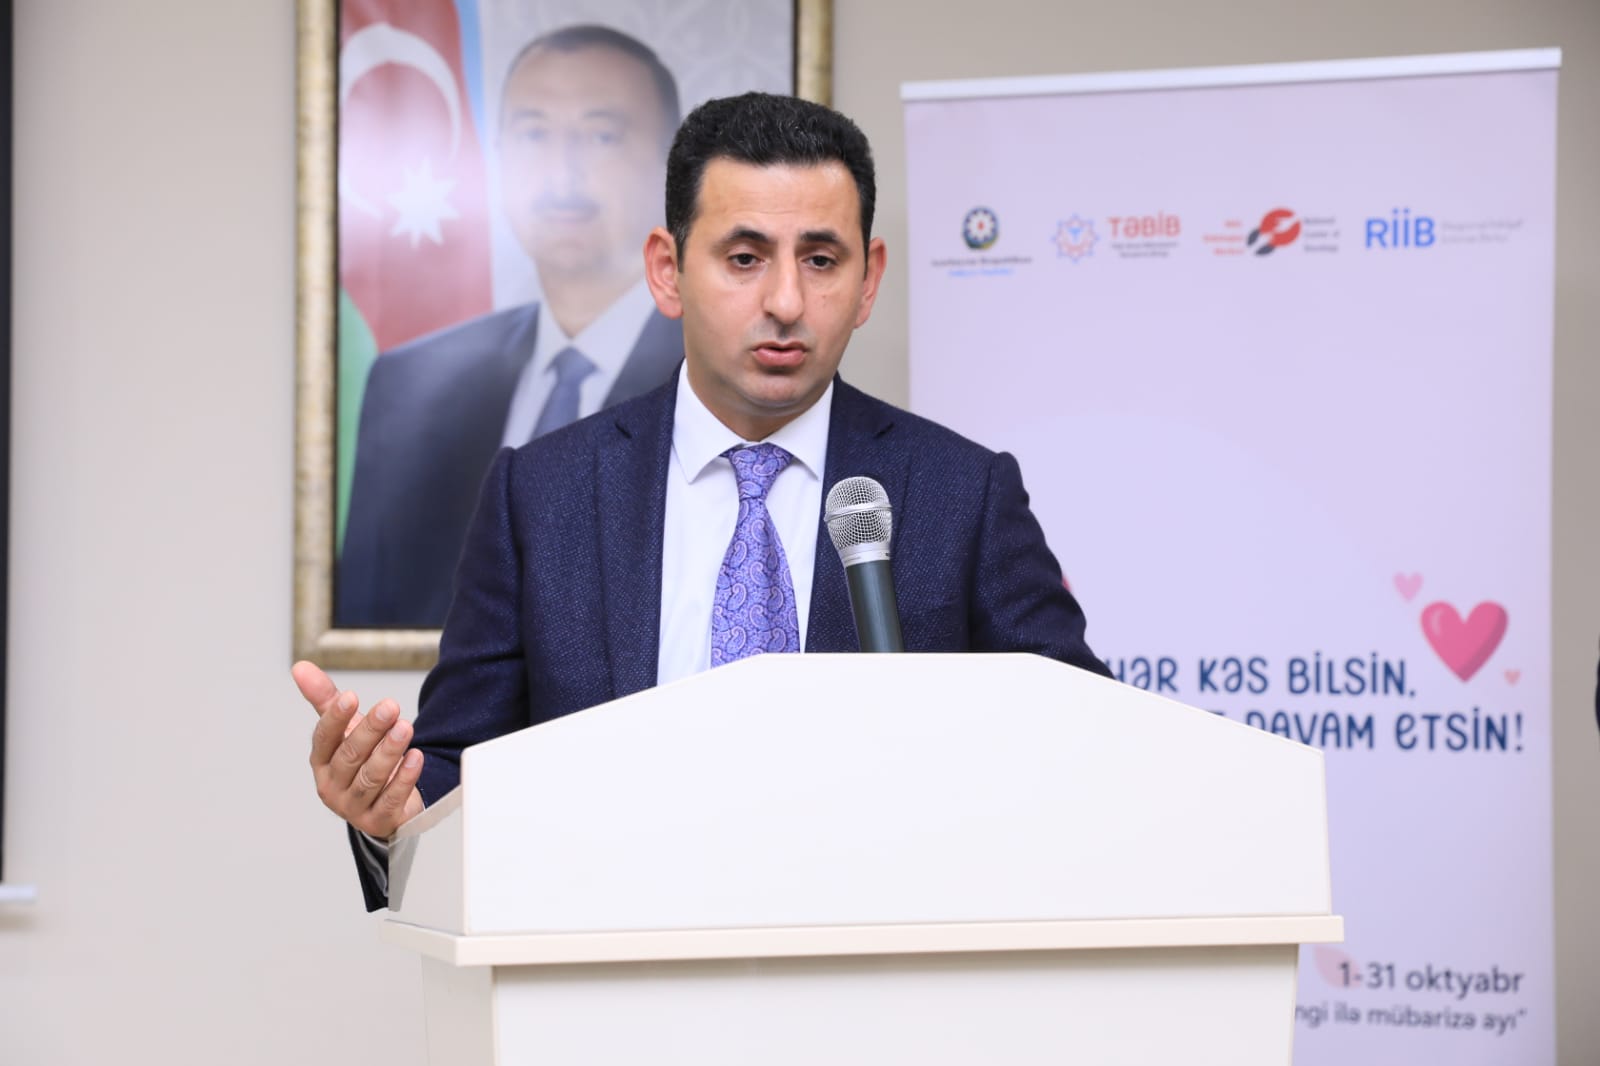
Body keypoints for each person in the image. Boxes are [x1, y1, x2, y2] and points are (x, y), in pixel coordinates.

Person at [297, 91, 1112, 910]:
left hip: (878, 963)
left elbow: (1085, 750)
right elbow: (457, 772)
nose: (786, 302)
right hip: (611, 963)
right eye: (746, 258)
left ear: (869, 281)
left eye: (821, 260)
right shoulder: (540, 497)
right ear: (668, 270)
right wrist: (392, 813)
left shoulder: (963, 494)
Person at [337, 25, 686, 627]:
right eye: (534, 134)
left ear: (671, 166)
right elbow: (371, 623)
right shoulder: (409, 383)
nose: (562, 173)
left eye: (602, 135)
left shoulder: (722, 379)